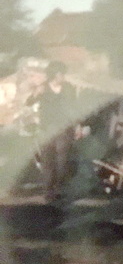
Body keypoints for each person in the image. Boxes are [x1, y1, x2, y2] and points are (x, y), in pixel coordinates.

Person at [34, 60, 77, 204]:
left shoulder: (69, 88)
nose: (63, 77)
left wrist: (76, 126)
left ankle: (58, 190)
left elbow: (73, 108)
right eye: (61, 74)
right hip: (46, 129)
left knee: (62, 161)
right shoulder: (43, 88)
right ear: (55, 74)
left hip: (63, 129)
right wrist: (35, 94)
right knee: (47, 161)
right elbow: (29, 102)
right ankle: (48, 192)